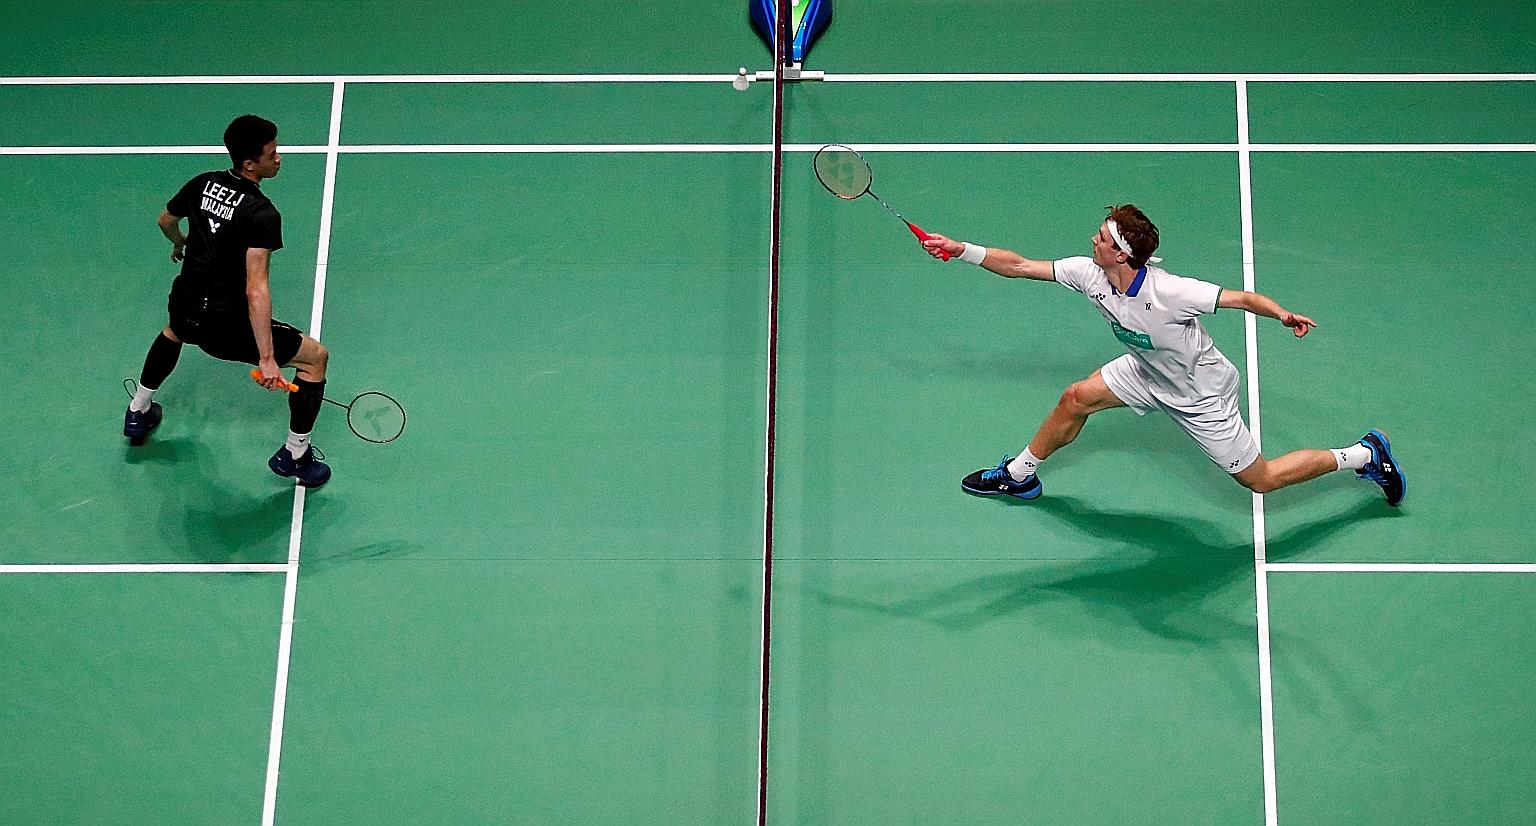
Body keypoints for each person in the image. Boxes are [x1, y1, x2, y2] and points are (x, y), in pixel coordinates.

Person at [921, 204, 1403, 506]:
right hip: (1145, 370)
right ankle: (1019, 475)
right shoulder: (1089, 273)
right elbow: (1021, 266)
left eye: (1101, 238)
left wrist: (1281, 314)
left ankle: (1363, 454)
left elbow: (1241, 298)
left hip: (1200, 395)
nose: (1093, 241)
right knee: (1076, 398)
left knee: (1262, 479)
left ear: (1122, 255)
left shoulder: (1171, 292)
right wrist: (961, 249)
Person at [123, 114, 332, 487]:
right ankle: (296, 454)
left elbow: (165, 221)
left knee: (174, 332)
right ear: (250, 164)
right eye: (272, 153)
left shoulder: (203, 182)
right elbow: (256, 289)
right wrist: (266, 358)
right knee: (315, 358)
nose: (279, 158)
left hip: (186, 300)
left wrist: (179, 242)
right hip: (224, 323)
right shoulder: (262, 214)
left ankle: (138, 409)